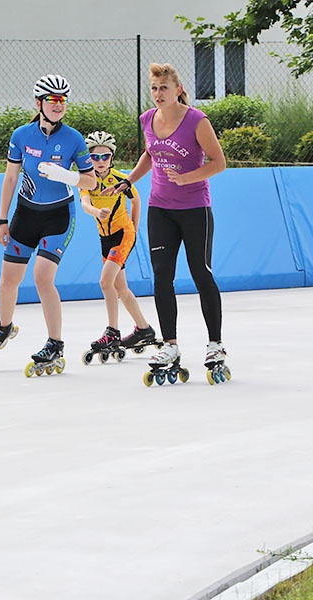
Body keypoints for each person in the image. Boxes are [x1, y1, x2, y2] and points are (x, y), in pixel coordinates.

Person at [105, 62, 228, 377]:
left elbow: (219, 162)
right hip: (160, 208)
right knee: (162, 277)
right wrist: (129, 180)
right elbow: (150, 153)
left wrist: (187, 178)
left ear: (179, 90)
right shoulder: (147, 119)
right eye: (154, 89)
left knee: (201, 273)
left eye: (164, 88)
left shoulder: (197, 121)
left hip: (194, 207)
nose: (158, 94)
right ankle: (170, 344)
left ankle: (215, 344)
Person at [0, 74, 96, 371]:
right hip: (26, 213)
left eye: (62, 100)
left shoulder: (73, 138)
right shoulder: (21, 136)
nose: (58, 105)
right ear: (39, 103)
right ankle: (4, 327)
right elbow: (10, 177)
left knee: (43, 278)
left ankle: (55, 343)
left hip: (58, 215)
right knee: (8, 280)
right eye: (52, 100)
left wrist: (67, 176)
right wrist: (2, 219)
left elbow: (92, 182)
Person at [78, 130, 156, 358]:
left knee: (105, 281)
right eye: (95, 157)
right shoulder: (88, 181)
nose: (100, 162)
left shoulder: (121, 179)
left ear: (112, 158)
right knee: (120, 288)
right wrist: (95, 211)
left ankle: (112, 331)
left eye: (105, 157)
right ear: (88, 158)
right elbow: (84, 203)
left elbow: (136, 198)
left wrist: (134, 225)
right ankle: (144, 328)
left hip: (123, 234)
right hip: (105, 238)